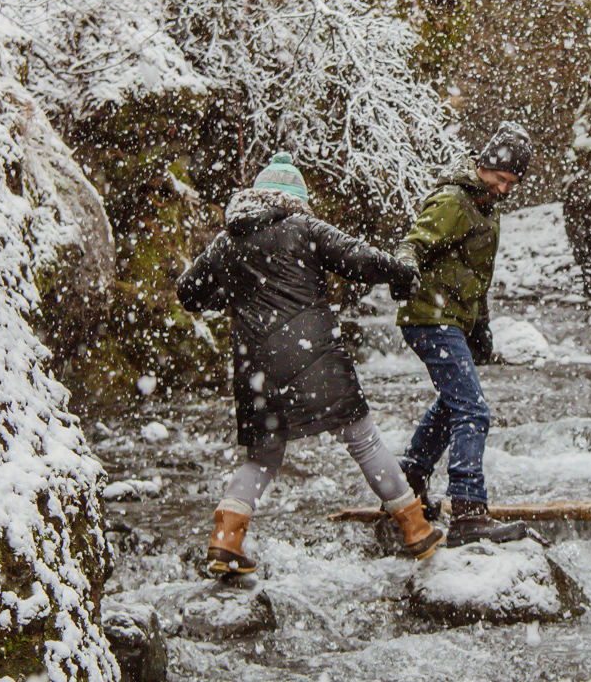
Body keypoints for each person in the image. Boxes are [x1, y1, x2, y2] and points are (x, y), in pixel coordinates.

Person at [176, 152, 443, 576]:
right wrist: (404, 272)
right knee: (364, 442)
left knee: (261, 459)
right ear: (293, 200)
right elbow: (360, 259)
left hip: (255, 369)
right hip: (315, 356)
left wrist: (232, 294)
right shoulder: (302, 227)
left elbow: (189, 293)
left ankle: (225, 543)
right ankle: (416, 529)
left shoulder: (225, 243)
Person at [395, 121, 533, 547]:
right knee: (472, 410)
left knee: (453, 403)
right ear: (484, 166)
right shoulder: (455, 200)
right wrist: (403, 270)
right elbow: (412, 243)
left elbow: (477, 277)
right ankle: (469, 508)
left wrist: (481, 328)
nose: (504, 189)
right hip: (428, 316)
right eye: (500, 178)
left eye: (513, 183)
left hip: (452, 319)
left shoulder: (486, 208)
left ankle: (411, 482)